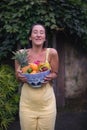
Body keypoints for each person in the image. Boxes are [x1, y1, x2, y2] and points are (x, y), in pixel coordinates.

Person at [15, 23, 59, 130]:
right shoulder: (21, 54)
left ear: (44, 38)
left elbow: (55, 73)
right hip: (27, 106)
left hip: (47, 105)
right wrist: (20, 76)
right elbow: (17, 76)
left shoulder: (52, 53)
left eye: (41, 32)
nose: (38, 35)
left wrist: (50, 77)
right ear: (30, 37)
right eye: (35, 32)